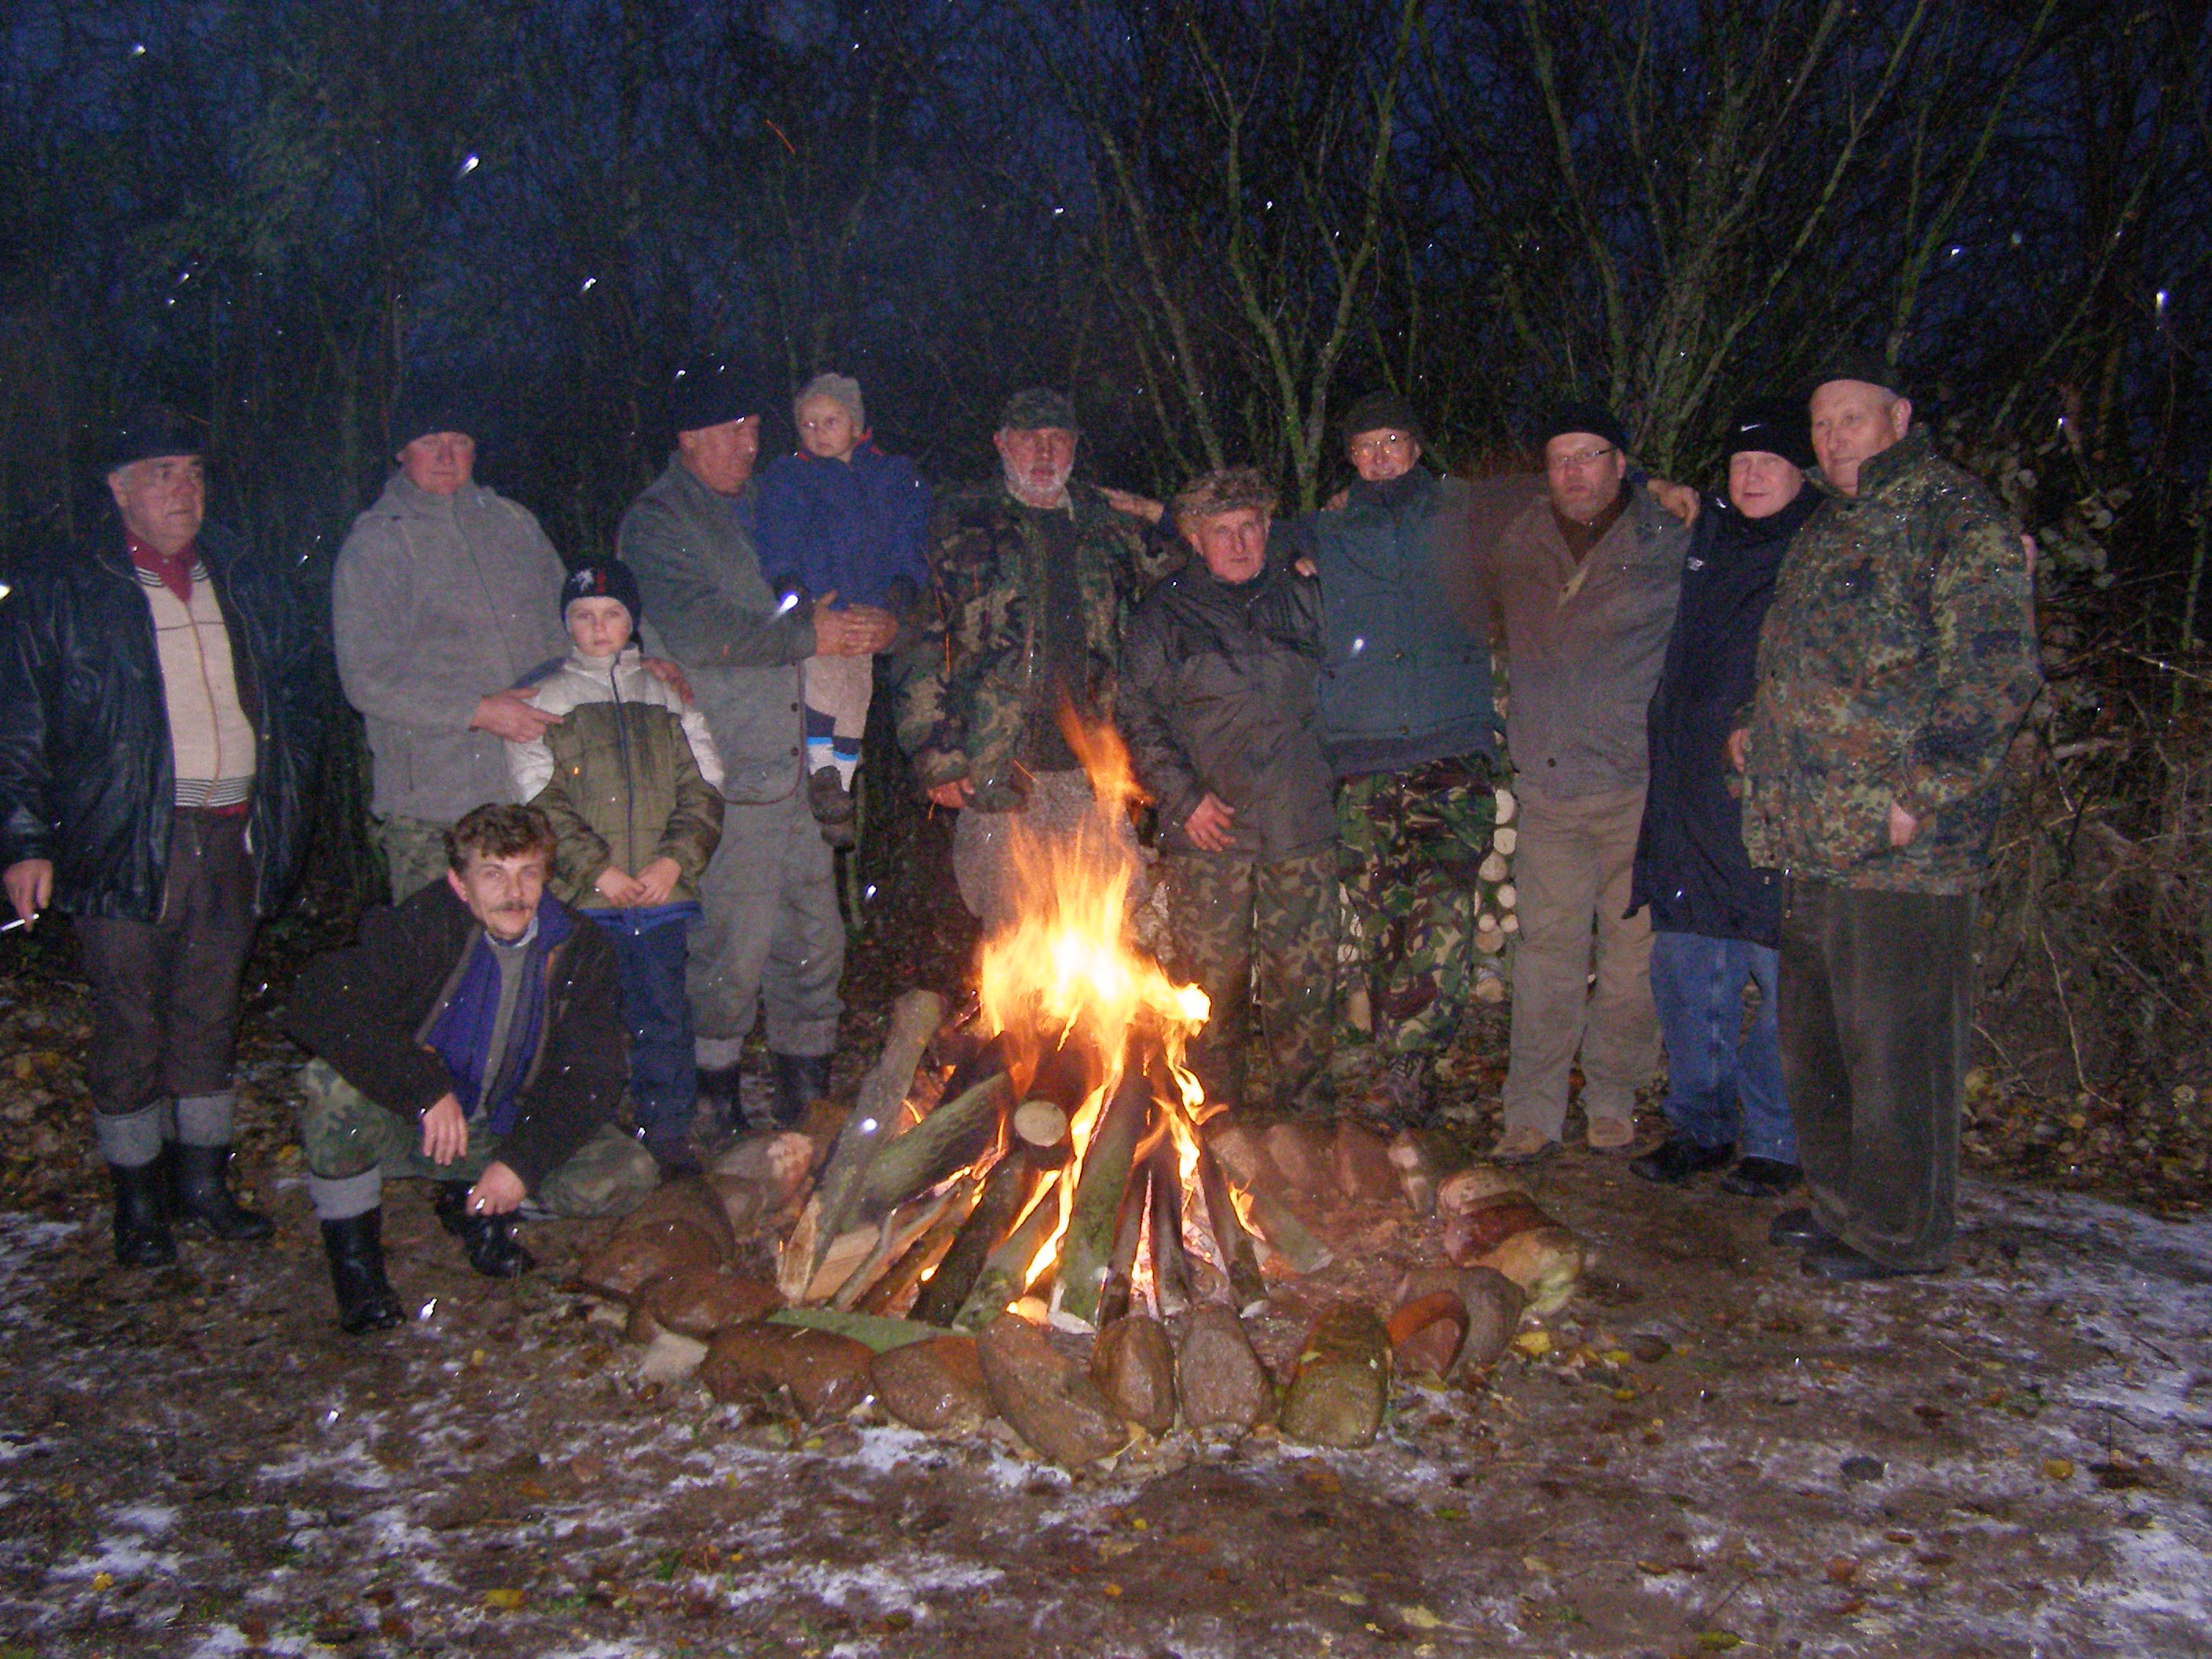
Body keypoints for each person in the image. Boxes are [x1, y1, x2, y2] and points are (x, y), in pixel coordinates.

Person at [1738, 356, 2040, 1279]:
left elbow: (1994, 674)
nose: (1832, 439)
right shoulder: (1828, 525)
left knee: (1897, 1049)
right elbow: (1808, 658)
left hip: (1905, 843)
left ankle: (1901, 1233)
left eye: (1851, 418)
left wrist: (1920, 792)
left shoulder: (1953, 518)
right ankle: (1841, 1207)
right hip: (1813, 831)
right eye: (1821, 423)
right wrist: (1755, 725)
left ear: (1898, 418)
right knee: (1818, 1043)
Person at [0, 410, 326, 1265]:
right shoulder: (67, 588)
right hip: (121, 838)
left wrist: (285, 805)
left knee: (209, 1016)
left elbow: (297, 697)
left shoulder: (243, 577)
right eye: (161, 474)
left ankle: (203, 1185)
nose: (185, 490)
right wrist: (26, 842)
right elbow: (20, 723)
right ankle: (138, 1201)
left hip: (231, 833)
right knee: (129, 1022)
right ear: (119, 491)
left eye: (193, 472)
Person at [619, 361, 899, 1128]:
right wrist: (811, 634)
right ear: (688, 437)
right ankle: (710, 1100)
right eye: (730, 431)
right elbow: (701, 629)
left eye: (752, 429)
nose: (748, 444)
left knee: (813, 937)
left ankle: (805, 1094)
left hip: (807, 757)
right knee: (729, 945)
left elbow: (849, 567)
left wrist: (879, 618)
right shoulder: (659, 522)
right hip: (727, 765)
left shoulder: (773, 500)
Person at [284, 804, 660, 1333]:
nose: (515, 892)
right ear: (460, 885)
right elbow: (319, 999)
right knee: (331, 1086)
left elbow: (592, 1075)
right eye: (493, 874)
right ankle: (357, 1270)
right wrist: (422, 1088)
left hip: (505, 1126)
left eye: (528, 873)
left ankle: (478, 1205)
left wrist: (521, 1163)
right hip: (419, 1123)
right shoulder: (426, 923)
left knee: (627, 1175)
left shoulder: (579, 947)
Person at [1276, 391, 1505, 1123]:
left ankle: (1408, 1066)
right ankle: (1399, 1064)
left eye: (1393, 443)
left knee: (1443, 912)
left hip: (1450, 749)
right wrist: (1147, 513)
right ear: (1350, 457)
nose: (1380, 458)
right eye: (1366, 446)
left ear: (1416, 447)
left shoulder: (1467, 513)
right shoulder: (1330, 528)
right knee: (1382, 916)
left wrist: (1653, 486)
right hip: (1363, 755)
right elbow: (1234, 535)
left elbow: (1570, 496)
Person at [893, 388, 1180, 931]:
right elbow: (922, 644)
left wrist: (1160, 514)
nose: (1045, 452)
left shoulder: (1109, 527)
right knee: (1014, 933)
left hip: (1095, 767)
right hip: (996, 768)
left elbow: (1202, 562)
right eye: (1030, 439)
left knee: (1109, 927)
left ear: (1074, 446)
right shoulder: (962, 525)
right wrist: (936, 755)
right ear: (1002, 444)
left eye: (1057, 439)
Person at [1485, 404, 1691, 1161]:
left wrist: (1666, 487)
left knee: (1634, 960)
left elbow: (1778, 503)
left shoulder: (1670, 536)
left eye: (1590, 455)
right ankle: (1532, 1110)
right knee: (1546, 957)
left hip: (1637, 786)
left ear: (1621, 463)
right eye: (1560, 458)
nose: (1574, 472)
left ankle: (1612, 1096)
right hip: (1549, 788)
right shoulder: (1518, 537)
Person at [1627, 398, 1820, 1197]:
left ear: (1800, 471)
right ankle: (1698, 1130)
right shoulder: (1707, 532)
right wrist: (1646, 480)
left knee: (1783, 987)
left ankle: (1775, 1141)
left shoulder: (1825, 542)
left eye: (1769, 462)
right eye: (1741, 463)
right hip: (1685, 803)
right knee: (1686, 978)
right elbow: (1620, 483)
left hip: (1770, 806)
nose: (1752, 476)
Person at [1120, 467, 1336, 1121]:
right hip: (1208, 830)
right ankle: (1212, 1119)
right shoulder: (1163, 613)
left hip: (1299, 819)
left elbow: (1348, 681)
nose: (1239, 544)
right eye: (1222, 532)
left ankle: (1306, 1117)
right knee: (1210, 987)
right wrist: (1183, 799)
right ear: (1194, 538)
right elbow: (1136, 715)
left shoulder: (1305, 597)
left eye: (1250, 528)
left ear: (1269, 529)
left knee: (1303, 981)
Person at [506, 562, 725, 1173]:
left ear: (632, 623)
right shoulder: (547, 700)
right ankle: (588, 1139)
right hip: (586, 901)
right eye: (583, 616)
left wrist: (672, 863)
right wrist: (597, 871)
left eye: (612, 615)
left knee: (664, 1017)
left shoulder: (666, 696)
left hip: (660, 898)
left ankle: (667, 1135)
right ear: (566, 625)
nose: (598, 628)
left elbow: (705, 786)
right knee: (584, 1025)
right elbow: (539, 798)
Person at [331, 387, 572, 903]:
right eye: (428, 442)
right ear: (401, 452)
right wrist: (479, 711)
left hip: (535, 793)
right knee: (440, 947)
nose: (445, 456)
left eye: (458, 441)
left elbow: (572, 628)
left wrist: (633, 664)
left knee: (540, 945)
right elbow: (366, 678)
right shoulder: (377, 544)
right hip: (436, 806)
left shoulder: (515, 525)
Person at [755, 372, 930, 845]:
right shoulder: (790, 476)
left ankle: (842, 792)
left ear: (855, 424)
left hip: (868, 612)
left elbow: (910, 538)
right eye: (807, 424)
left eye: (830, 421)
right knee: (824, 684)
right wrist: (795, 593)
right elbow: (776, 539)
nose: (818, 433)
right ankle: (821, 773)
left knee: (856, 697)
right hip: (823, 607)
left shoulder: (892, 475)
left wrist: (901, 591)